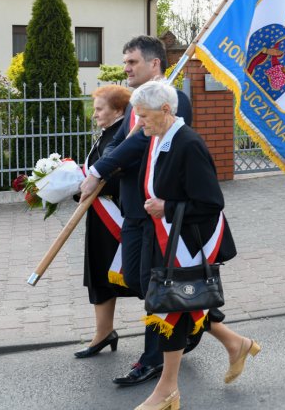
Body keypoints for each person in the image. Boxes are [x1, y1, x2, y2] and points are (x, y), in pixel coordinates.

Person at [131, 81, 258, 410]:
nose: (138, 121)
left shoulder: (188, 143)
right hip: (164, 234)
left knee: (172, 307)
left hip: (187, 239)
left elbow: (211, 201)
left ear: (165, 110)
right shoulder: (160, 137)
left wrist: (167, 207)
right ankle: (236, 345)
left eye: (143, 115)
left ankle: (167, 390)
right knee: (176, 302)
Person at [79, 36, 193, 389]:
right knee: (136, 280)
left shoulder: (174, 100)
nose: (126, 68)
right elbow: (119, 142)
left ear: (154, 63)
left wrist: (100, 170)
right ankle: (195, 317)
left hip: (158, 210)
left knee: (154, 286)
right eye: (125, 62)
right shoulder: (133, 103)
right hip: (133, 206)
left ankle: (152, 359)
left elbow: (142, 141)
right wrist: (99, 165)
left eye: (132, 62)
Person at [73, 84, 135, 359]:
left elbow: (122, 174)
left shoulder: (125, 136)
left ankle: (197, 321)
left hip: (119, 217)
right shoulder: (106, 135)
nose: (95, 114)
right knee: (99, 275)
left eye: (100, 109)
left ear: (119, 110)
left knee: (139, 279)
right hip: (98, 217)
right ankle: (104, 332)